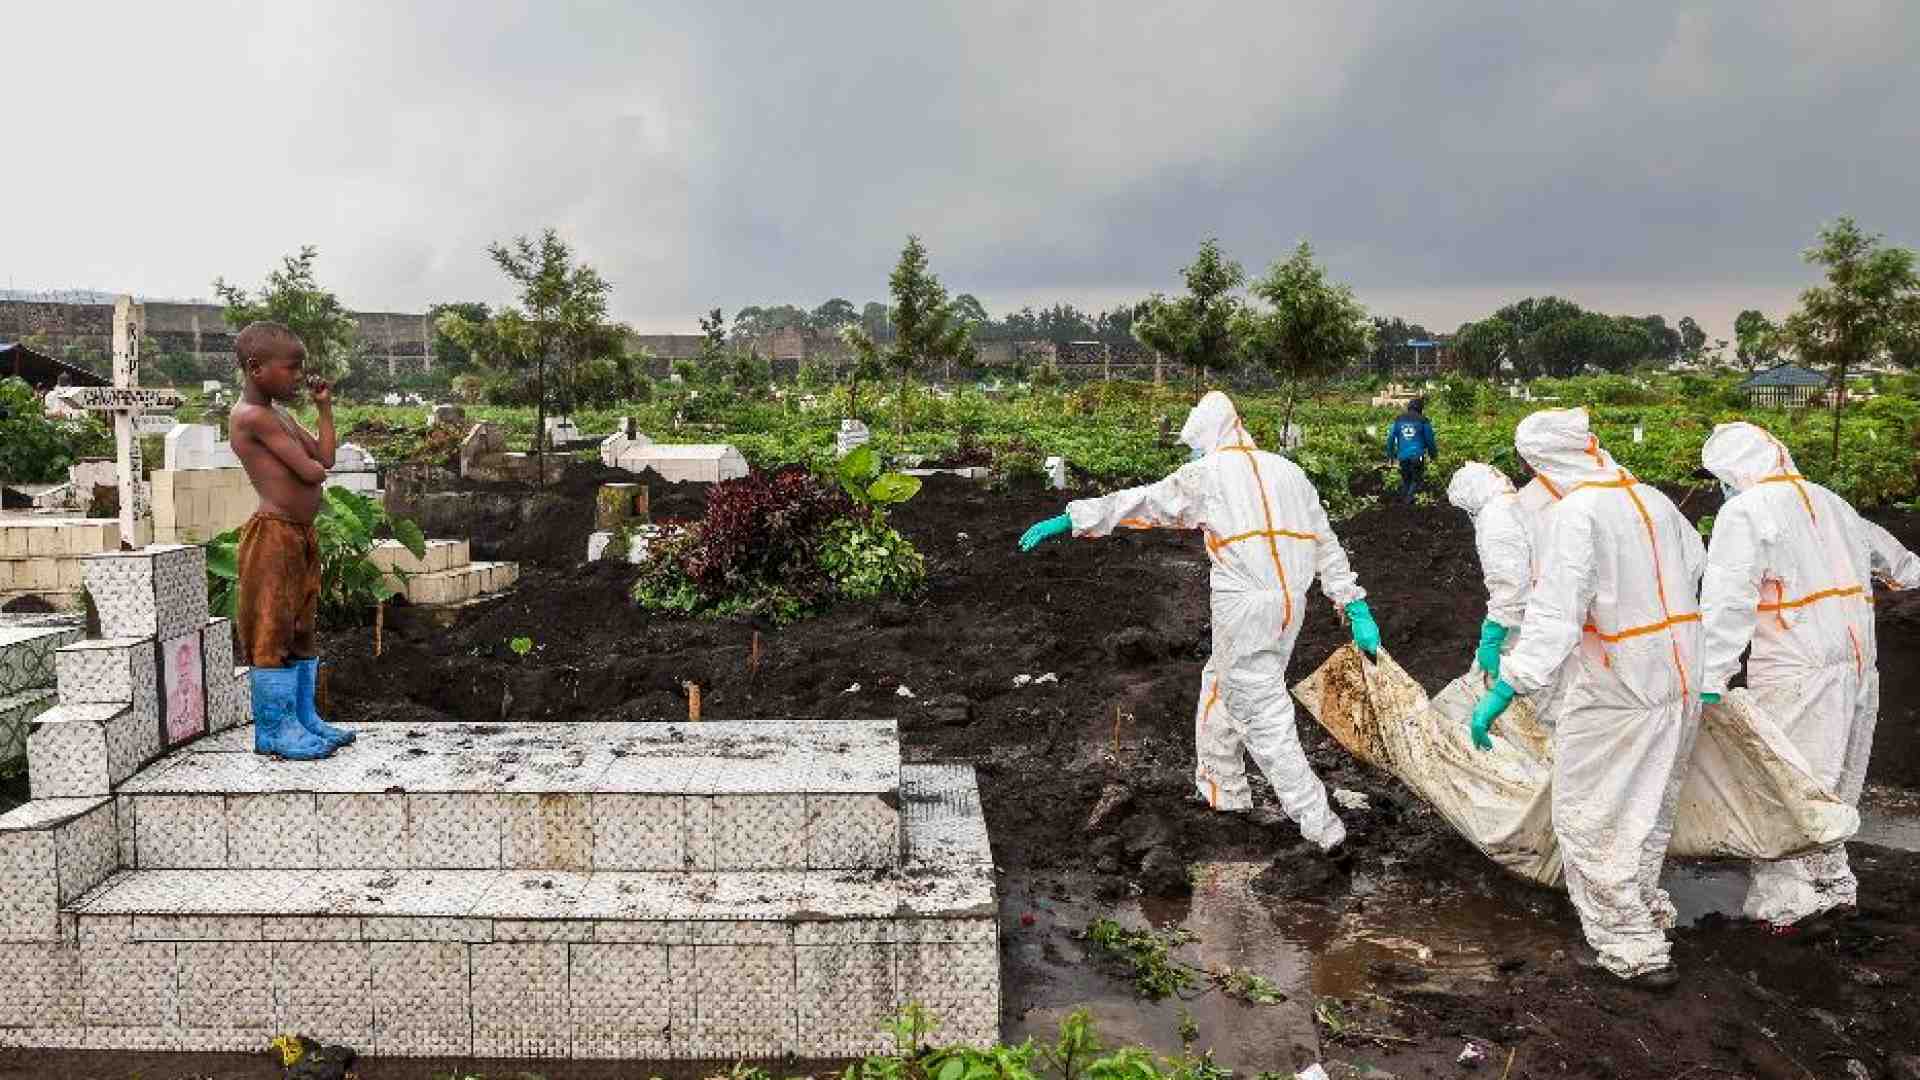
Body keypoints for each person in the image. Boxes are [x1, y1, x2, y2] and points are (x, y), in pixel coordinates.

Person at [1017, 391, 1381, 851]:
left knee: (1262, 716)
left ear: (1207, 436)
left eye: (1195, 445)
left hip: (1244, 607)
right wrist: (1355, 607)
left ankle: (1322, 828)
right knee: (1220, 683)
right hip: (1290, 605)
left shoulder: (1209, 473)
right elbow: (1325, 543)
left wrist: (1072, 518)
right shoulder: (1290, 472)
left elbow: (1144, 503)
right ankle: (1222, 791)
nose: (1193, 453)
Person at [1469, 408, 1705, 987]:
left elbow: (1556, 616)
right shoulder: (1650, 498)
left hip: (1618, 683)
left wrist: (1507, 686)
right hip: (1678, 675)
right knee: (1648, 808)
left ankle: (1631, 949)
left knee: (1588, 816)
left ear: (1541, 461)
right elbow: (1696, 563)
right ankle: (1644, 913)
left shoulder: (1579, 512)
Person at [1696, 421, 1920, 926]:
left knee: (1788, 788)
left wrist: (1709, 679)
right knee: (1836, 782)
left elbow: (1728, 603)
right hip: (1856, 664)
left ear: (1733, 472)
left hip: (1795, 667)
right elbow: (1898, 563)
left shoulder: (1746, 512)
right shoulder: (1831, 501)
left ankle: (1787, 906)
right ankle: (1832, 885)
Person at [229, 322, 355, 760]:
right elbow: (311, 471)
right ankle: (274, 729)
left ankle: (303, 718)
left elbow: (326, 457)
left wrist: (324, 408)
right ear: (256, 368)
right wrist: (314, 465)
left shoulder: (279, 415)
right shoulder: (253, 417)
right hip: (272, 534)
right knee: (271, 629)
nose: (299, 376)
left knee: (301, 628)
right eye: (292, 367)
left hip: (299, 534)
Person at [1445, 462, 1531, 678]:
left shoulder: (1495, 519)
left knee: (1508, 677)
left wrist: (1494, 633)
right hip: (1540, 610)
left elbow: (1510, 583)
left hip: (1521, 620)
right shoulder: (1515, 503)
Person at [1385, 397, 1437, 504]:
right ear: (1420, 409)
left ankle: (1403, 503)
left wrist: (1390, 455)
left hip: (1403, 457)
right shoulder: (1423, 420)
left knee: (1406, 480)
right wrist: (1433, 455)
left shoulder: (1399, 420)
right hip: (1418, 456)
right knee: (1416, 480)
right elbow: (1430, 440)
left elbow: (1390, 438)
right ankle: (1408, 501)